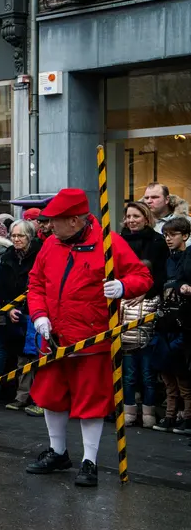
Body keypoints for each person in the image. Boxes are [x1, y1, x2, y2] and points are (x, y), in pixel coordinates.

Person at [25, 188, 152, 487]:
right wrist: (39, 315)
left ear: (75, 220)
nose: (49, 225)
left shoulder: (110, 243)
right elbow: (36, 283)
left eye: (55, 220)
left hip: (91, 340)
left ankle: (89, 461)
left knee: (90, 401)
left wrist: (122, 286)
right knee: (51, 397)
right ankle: (58, 452)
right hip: (53, 338)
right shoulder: (50, 245)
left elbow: (143, 277)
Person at [118, 201, 168, 428]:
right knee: (127, 370)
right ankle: (128, 410)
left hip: (147, 304)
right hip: (122, 305)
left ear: (146, 217)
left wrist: (145, 291)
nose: (131, 220)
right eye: (128, 216)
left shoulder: (157, 242)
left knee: (147, 372)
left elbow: (161, 275)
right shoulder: (118, 240)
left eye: (135, 216)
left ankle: (148, 412)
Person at [0, 219, 43, 416]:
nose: (16, 239)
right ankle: (21, 396)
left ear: (30, 237)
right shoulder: (8, 256)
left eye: (20, 236)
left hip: (37, 311)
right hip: (16, 313)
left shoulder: (40, 254)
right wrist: (8, 308)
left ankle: (40, 398)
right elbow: (1, 287)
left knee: (39, 355)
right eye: (13, 235)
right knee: (21, 357)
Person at [151, 217, 191, 433]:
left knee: (182, 374)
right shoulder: (168, 259)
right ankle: (170, 415)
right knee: (167, 373)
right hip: (166, 320)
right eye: (166, 235)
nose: (168, 239)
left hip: (182, 322)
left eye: (173, 235)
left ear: (184, 235)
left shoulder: (188, 257)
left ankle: (186, 417)